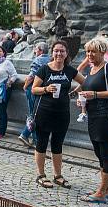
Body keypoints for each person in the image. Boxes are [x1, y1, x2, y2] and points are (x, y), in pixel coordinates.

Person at [77, 36, 108, 203]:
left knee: (105, 152)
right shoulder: (92, 68)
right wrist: (82, 98)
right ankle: (105, 187)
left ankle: (101, 192)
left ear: (102, 52)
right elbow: (88, 88)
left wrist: (95, 94)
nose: (89, 54)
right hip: (93, 115)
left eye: (93, 51)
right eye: (88, 51)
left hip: (106, 116)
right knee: (98, 151)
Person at [31, 40, 83, 188]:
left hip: (62, 113)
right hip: (44, 112)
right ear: (52, 53)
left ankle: (57, 175)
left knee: (57, 144)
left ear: (66, 54)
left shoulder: (69, 71)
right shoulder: (44, 69)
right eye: (56, 51)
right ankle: (41, 175)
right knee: (41, 142)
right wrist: (46, 89)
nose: (59, 53)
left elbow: (85, 82)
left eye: (62, 51)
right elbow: (34, 89)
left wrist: (75, 92)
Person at [18, 42, 51, 148]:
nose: (35, 51)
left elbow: (32, 75)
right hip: (44, 90)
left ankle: (25, 134)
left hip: (33, 89)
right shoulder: (51, 60)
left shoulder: (38, 60)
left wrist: (25, 86)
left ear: (40, 50)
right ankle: (35, 139)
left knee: (33, 113)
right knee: (38, 113)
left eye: (36, 49)